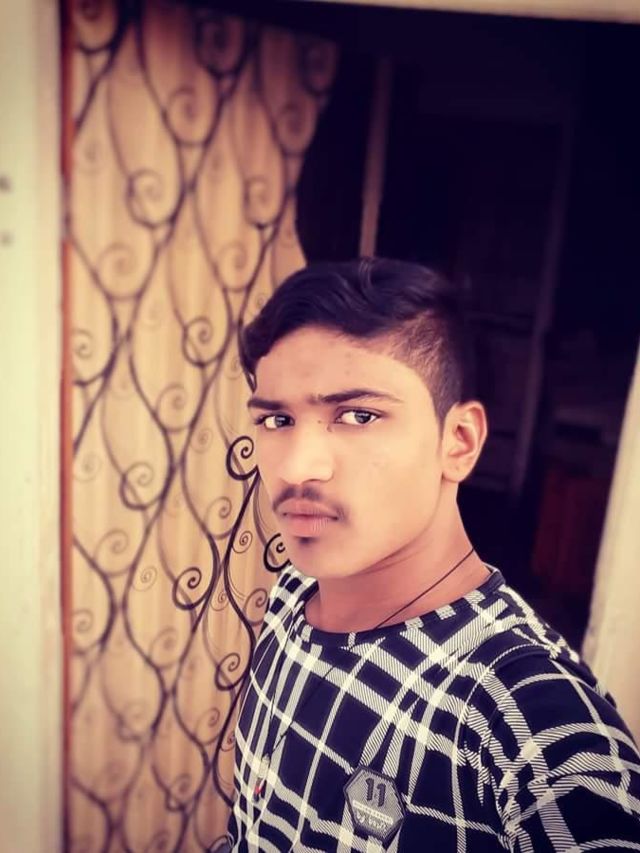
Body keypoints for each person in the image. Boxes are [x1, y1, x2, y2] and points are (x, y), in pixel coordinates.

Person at [224, 258, 640, 851]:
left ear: (459, 442)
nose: (295, 467)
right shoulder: (295, 589)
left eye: (358, 415)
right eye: (277, 419)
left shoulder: (525, 716)